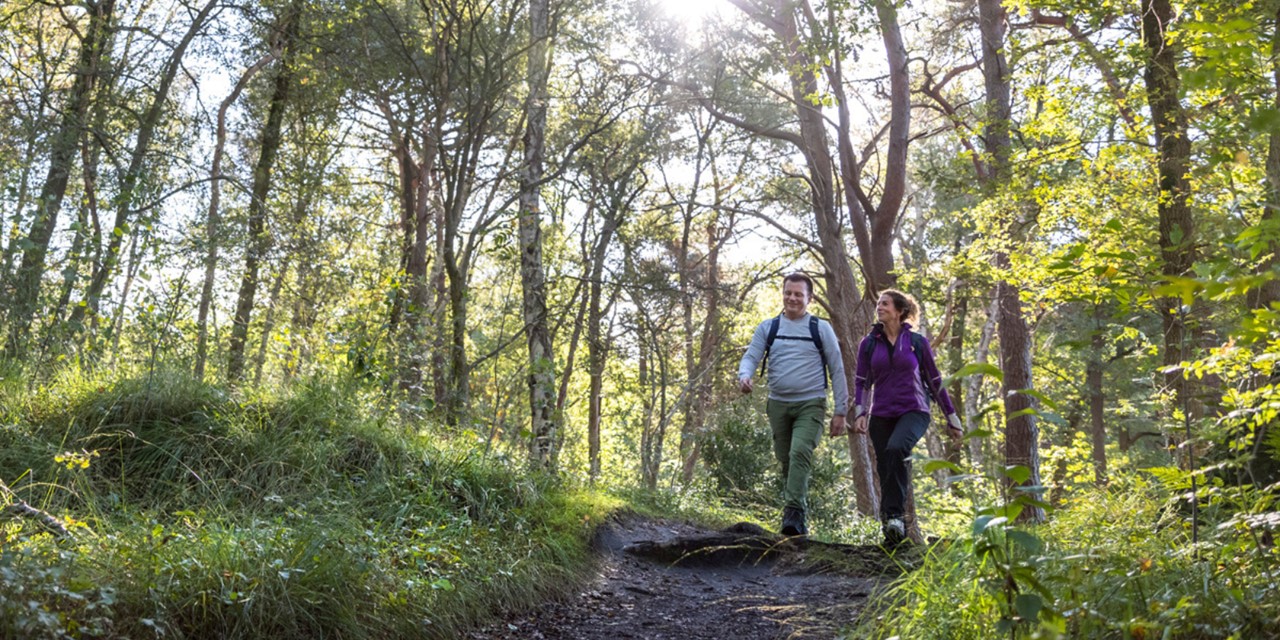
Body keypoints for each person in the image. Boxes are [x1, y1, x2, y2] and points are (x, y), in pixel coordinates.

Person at [738, 272, 848, 536]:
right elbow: (751, 356)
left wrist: (840, 411)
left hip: (811, 403)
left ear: (810, 298)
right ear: (783, 294)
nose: (792, 298)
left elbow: (837, 369)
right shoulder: (769, 327)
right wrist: (744, 375)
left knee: (800, 453)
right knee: (786, 460)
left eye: (799, 294)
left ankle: (793, 516)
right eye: (788, 293)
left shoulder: (820, 328)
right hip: (778, 404)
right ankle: (799, 520)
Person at [851, 289, 963, 546]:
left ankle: (895, 518)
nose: (879, 307)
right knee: (886, 468)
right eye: (878, 303)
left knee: (897, 448)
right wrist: (860, 412)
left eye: (885, 304)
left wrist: (952, 417)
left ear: (900, 311)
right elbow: (862, 381)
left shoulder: (917, 342)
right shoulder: (869, 343)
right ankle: (893, 534)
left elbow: (934, 380)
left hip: (914, 410)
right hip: (881, 414)